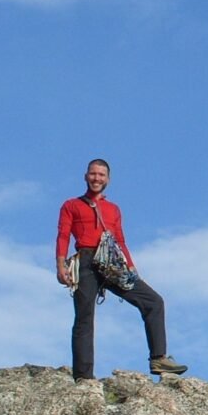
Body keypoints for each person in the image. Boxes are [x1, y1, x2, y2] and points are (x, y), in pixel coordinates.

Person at [55, 158, 187, 380]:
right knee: (84, 318)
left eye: (101, 175)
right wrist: (60, 265)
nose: (97, 178)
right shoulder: (71, 205)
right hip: (86, 261)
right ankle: (83, 377)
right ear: (86, 176)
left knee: (153, 301)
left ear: (108, 179)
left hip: (112, 263)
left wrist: (132, 267)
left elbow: (121, 240)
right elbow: (63, 234)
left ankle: (158, 358)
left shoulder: (113, 209)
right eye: (93, 174)